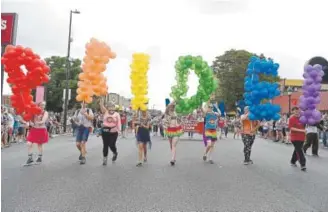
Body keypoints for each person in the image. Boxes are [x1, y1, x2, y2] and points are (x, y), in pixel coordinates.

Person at [99, 99, 121, 165]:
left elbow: (119, 122)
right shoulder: (105, 112)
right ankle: (105, 159)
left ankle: (115, 153)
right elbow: (101, 106)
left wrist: (119, 130)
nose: (111, 108)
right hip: (105, 130)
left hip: (114, 131)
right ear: (108, 107)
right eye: (110, 106)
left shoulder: (117, 114)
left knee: (111, 144)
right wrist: (101, 101)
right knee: (105, 145)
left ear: (114, 108)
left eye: (112, 106)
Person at [288, 106, 306, 171]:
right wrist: (302, 130)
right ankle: (303, 164)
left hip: (302, 137)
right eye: (294, 110)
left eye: (297, 110)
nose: (296, 112)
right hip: (294, 138)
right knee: (300, 150)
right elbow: (291, 128)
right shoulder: (291, 119)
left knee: (297, 150)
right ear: (292, 112)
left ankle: (292, 161)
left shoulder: (302, 118)